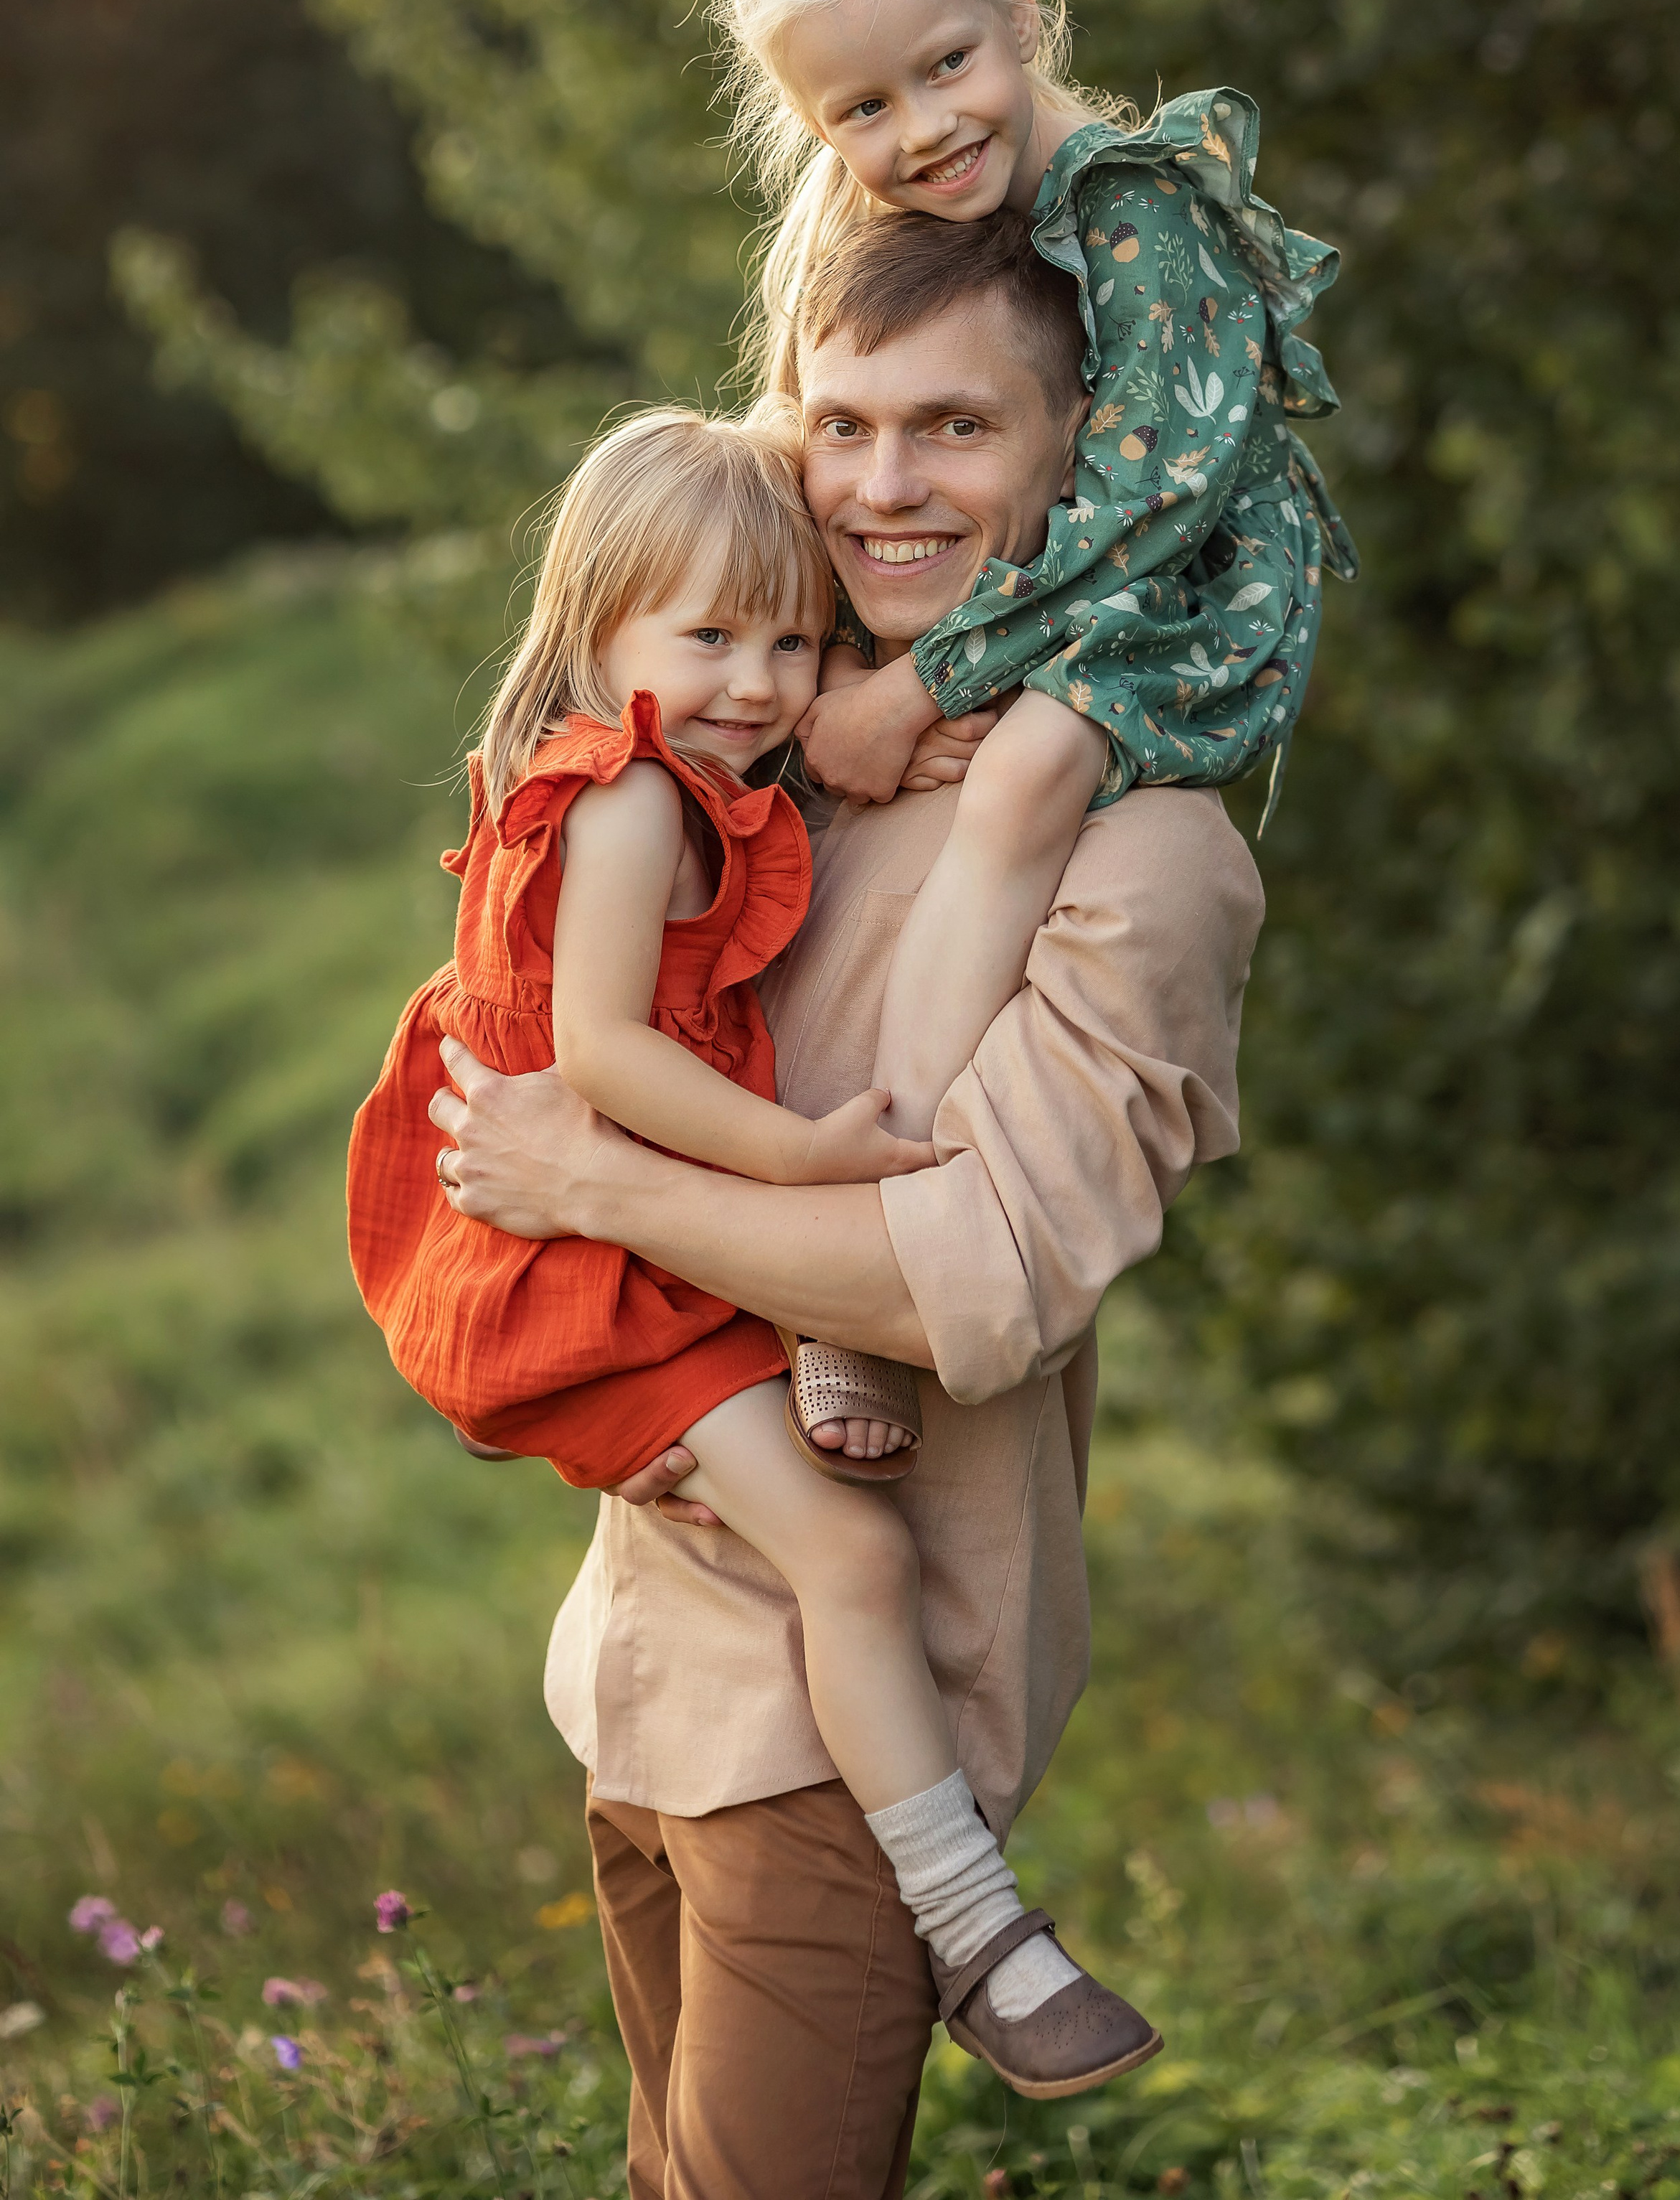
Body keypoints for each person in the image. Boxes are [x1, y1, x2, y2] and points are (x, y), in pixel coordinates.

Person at [427, 210, 1271, 2197]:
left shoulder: (1144, 865)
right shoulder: (770, 759)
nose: (887, 486)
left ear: (1082, 451)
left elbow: (952, 1284)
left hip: (841, 1744)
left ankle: (983, 1934)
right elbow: (541, 1001)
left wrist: (587, 1170)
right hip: (639, 1670)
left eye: (959, 426)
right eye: (846, 424)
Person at [346, 400, 1163, 2107]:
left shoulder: (667, 771)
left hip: (611, 1252)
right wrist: (800, 1164)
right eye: (708, 635)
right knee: (852, 1564)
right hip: (580, 1272)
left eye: (793, 639)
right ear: (595, 631)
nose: (758, 681)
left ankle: (801, 1368)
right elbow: (608, 1061)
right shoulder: (633, 801)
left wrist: (906, 729)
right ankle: (976, 1931)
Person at [708, 0, 1356, 1141]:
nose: (930, 129)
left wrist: (926, 684)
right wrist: (842, 677)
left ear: (1019, 5)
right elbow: (814, 441)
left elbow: (1148, 518)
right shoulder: (856, 216)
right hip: (1014, 589)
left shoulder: (1138, 211)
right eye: (866, 109)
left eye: (949, 64)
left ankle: (901, 1140)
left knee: (1021, 770)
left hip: (1173, 590)